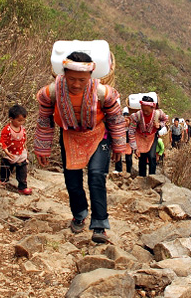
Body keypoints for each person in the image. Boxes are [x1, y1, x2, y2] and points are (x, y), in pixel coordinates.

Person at [34, 51, 127, 244]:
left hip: (98, 135)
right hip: (69, 136)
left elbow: (116, 119)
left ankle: (100, 225)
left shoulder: (104, 93)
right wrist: (42, 147)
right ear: (63, 75)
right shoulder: (50, 93)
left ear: (90, 77)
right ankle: (79, 213)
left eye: (82, 80)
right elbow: (44, 120)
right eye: (72, 79)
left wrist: (119, 146)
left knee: (96, 177)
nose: (76, 84)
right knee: (72, 181)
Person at [129, 96, 168, 177]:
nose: (145, 112)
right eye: (143, 110)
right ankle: (142, 177)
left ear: (152, 108)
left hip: (152, 137)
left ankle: (152, 177)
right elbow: (131, 131)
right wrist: (134, 147)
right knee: (142, 157)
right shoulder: (137, 116)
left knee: (152, 156)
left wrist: (159, 125)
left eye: (147, 110)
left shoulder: (158, 114)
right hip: (140, 137)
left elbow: (165, 120)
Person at [0, 104, 33, 195]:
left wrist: (25, 149)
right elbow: (2, 141)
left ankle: (22, 187)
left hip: (20, 153)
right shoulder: (7, 129)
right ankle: (3, 181)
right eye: (19, 120)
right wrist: (6, 152)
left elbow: (23, 139)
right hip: (10, 153)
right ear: (11, 118)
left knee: (22, 169)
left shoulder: (22, 129)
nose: (21, 123)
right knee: (6, 167)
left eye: (23, 120)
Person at [115, 108, 133, 174]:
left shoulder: (131, 124)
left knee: (129, 157)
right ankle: (118, 169)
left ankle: (129, 171)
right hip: (121, 139)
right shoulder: (119, 123)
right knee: (118, 155)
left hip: (129, 141)